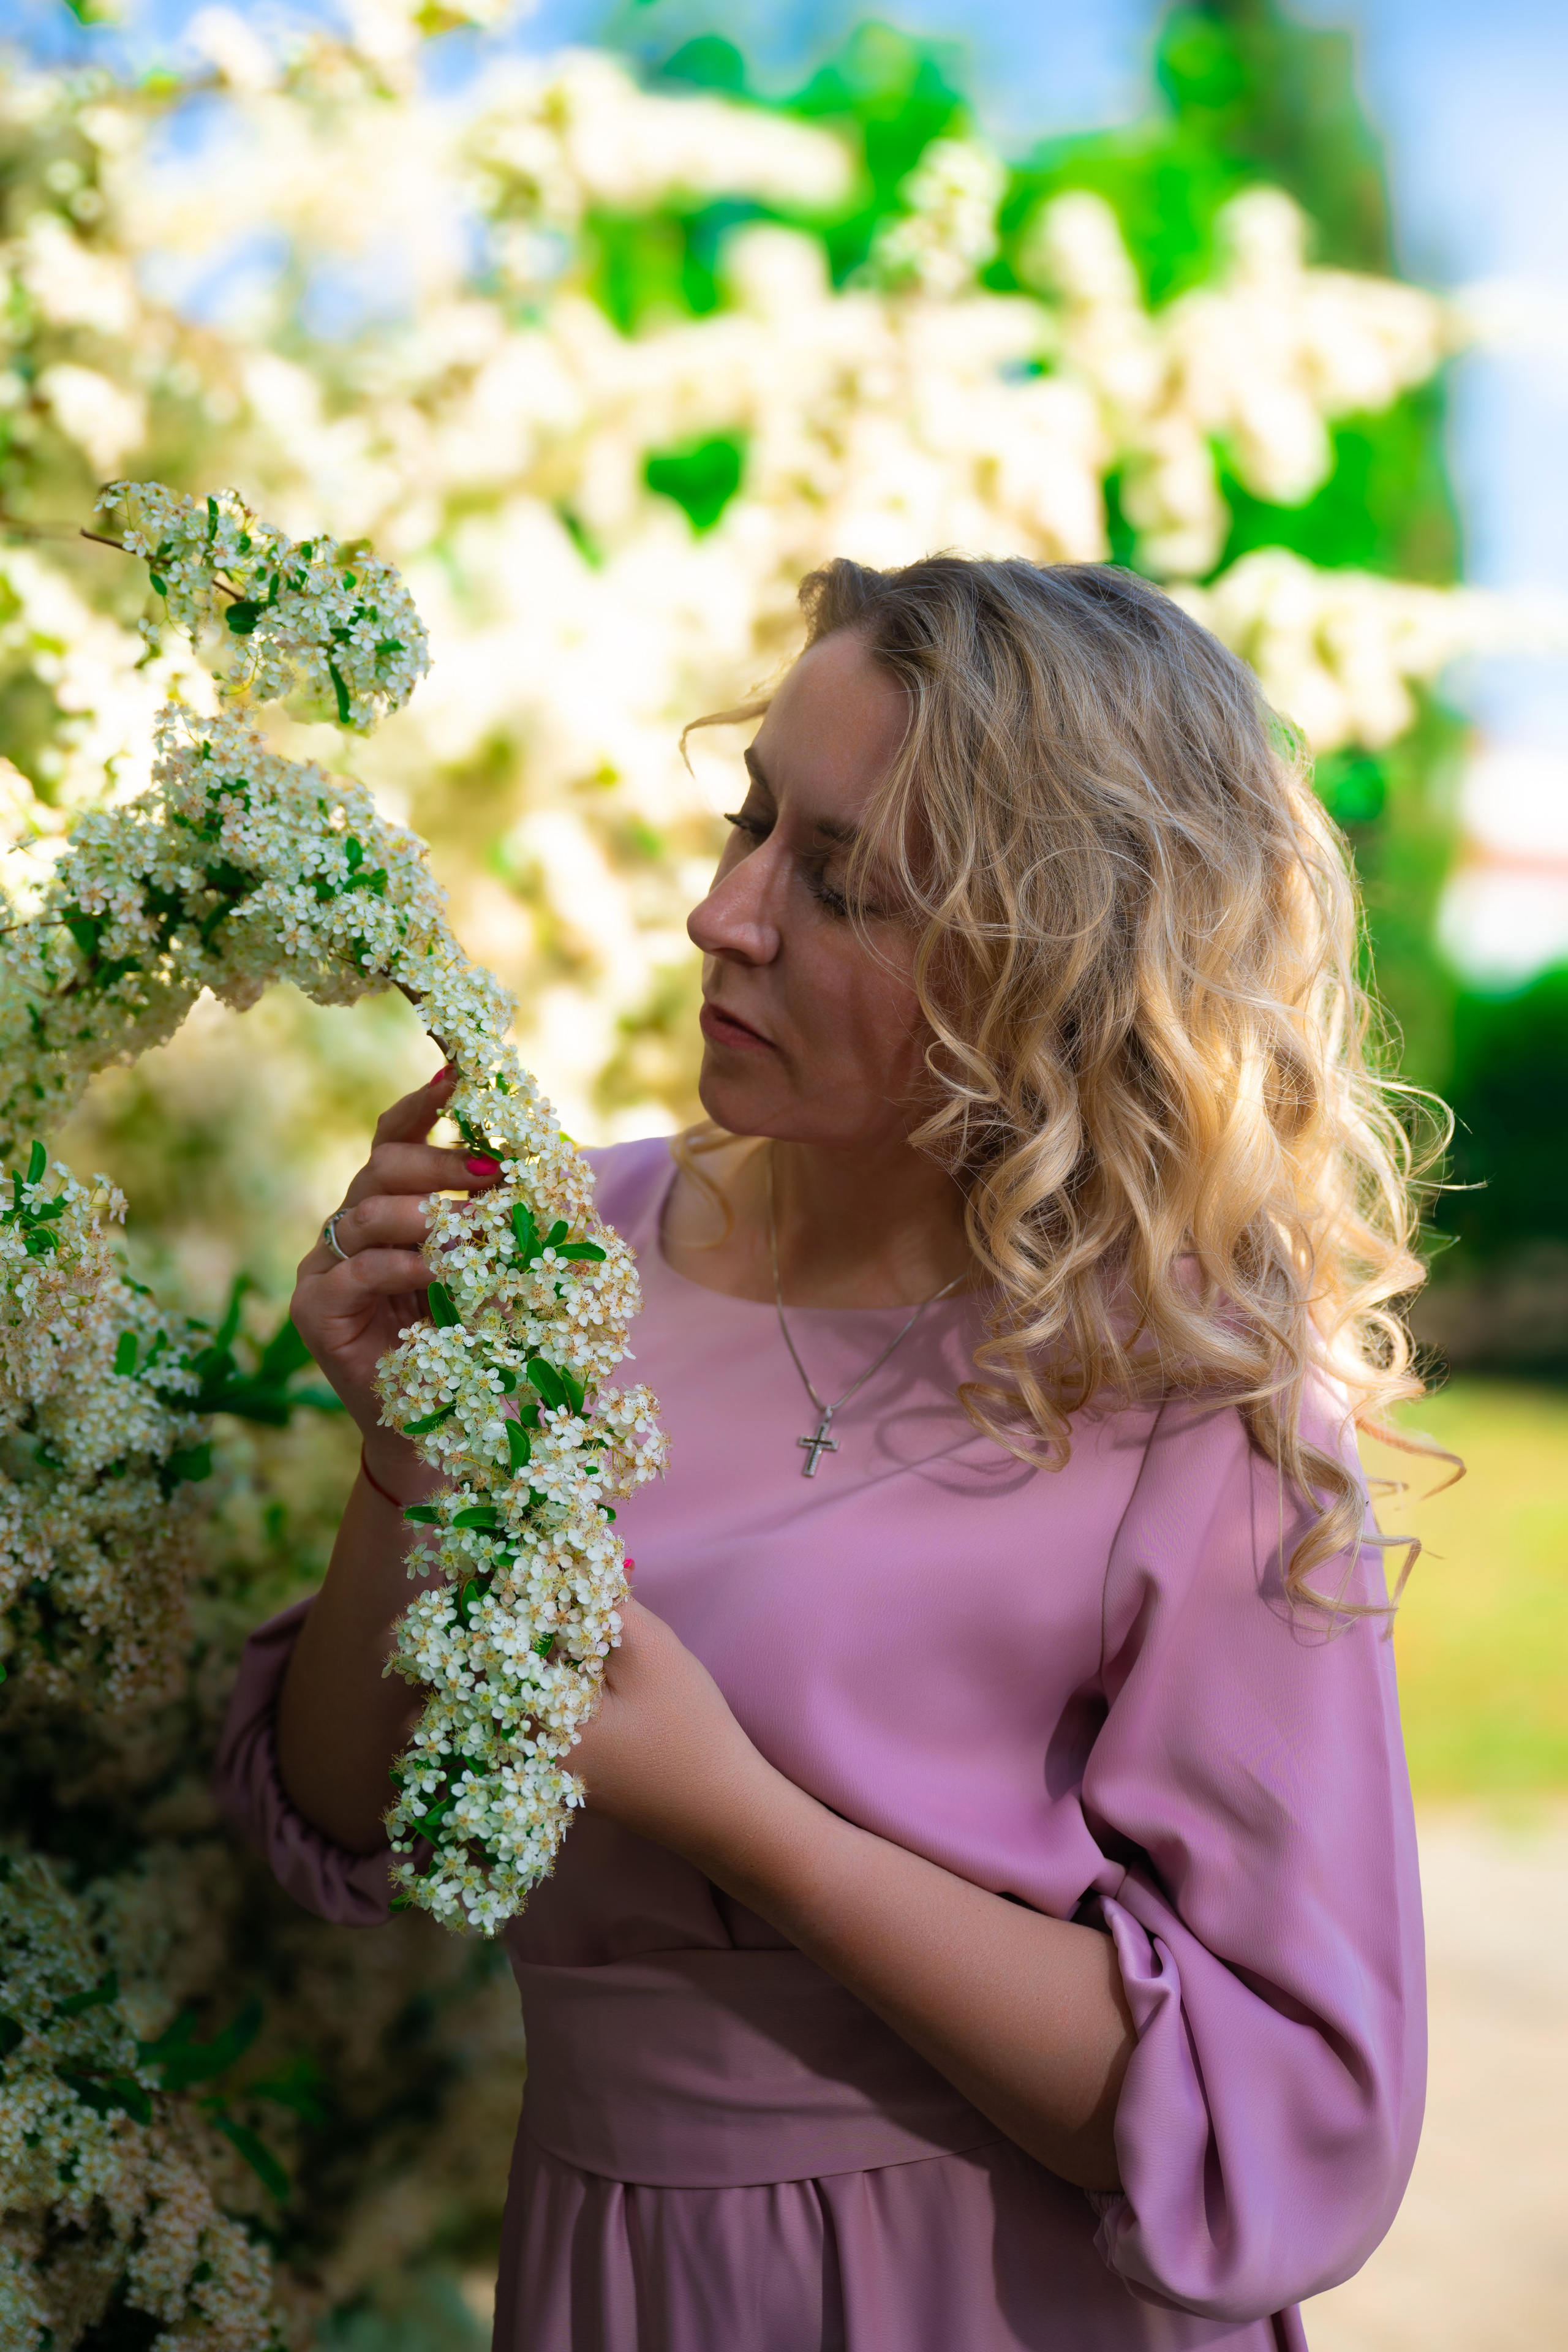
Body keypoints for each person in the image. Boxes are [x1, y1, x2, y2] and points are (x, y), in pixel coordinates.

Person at [217, 555, 1433, 2352]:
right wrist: (403, 1464)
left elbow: (1292, 2120)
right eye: (751, 821)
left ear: (1053, 966)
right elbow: (345, 1822)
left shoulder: (1194, 1398)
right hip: (611, 2276)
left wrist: (742, 1817)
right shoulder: (560, 1254)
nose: (725, 916)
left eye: (846, 884)